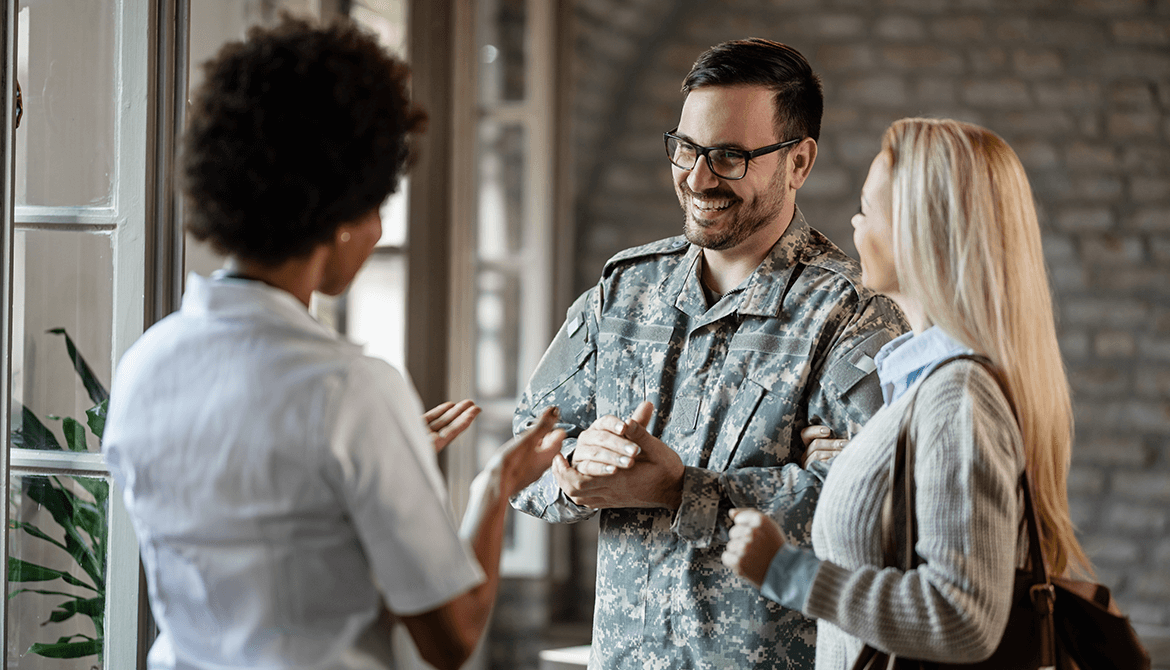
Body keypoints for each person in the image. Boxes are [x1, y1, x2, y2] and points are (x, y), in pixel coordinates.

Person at [102, 16, 562, 670]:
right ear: (338, 214)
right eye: (375, 204)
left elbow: (251, 539)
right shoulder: (350, 390)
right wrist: (496, 484)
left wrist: (373, 468)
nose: (377, 231)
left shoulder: (146, 364)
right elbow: (452, 637)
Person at [511, 38, 908, 669]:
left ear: (798, 161)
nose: (698, 179)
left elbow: (879, 513)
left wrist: (683, 492)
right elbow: (524, 456)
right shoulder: (623, 292)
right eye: (687, 149)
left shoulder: (851, 315)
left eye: (728, 157)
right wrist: (572, 472)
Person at [722, 117, 1093, 670]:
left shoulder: (958, 397)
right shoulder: (931, 388)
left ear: (922, 231)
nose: (852, 222)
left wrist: (786, 572)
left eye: (868, 209)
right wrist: (871, 470)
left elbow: (962, 618)